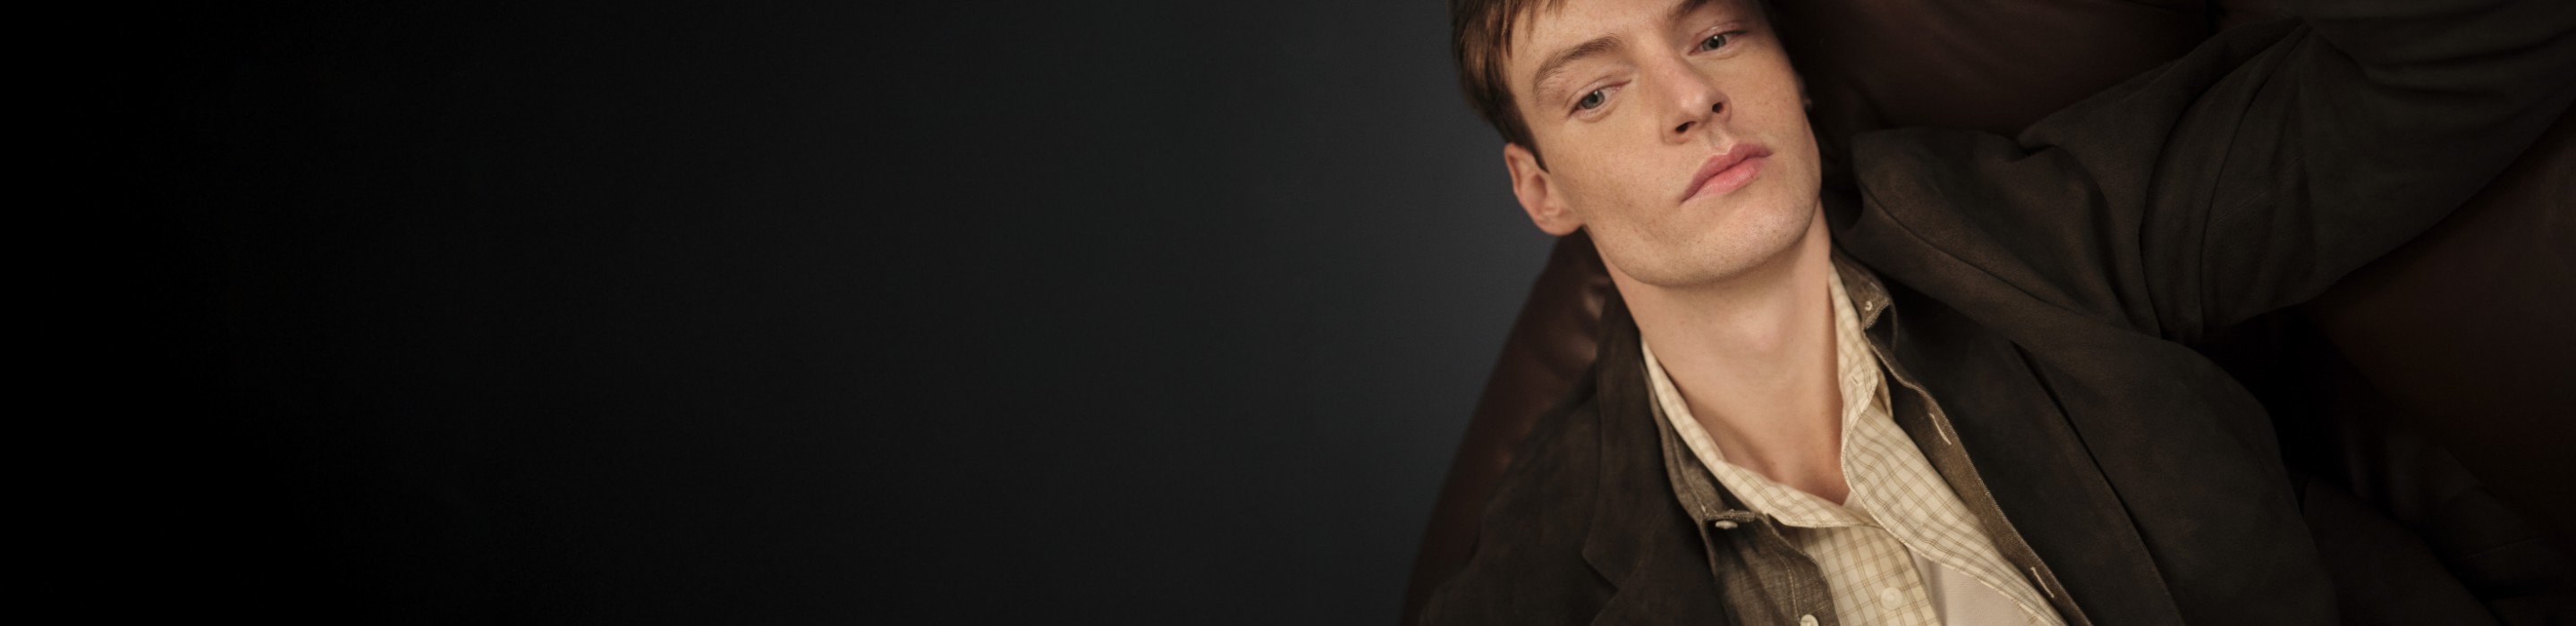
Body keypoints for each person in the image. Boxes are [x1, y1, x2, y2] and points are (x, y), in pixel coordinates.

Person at [1410, 0, 2576, 623]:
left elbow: (2483, 42)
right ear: (1541, 189)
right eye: (1597, 92)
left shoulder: (2043, 229)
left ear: (1793, 75)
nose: (1690, 98)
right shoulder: (1538, 580)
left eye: (1714, 35)